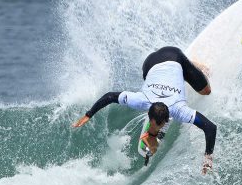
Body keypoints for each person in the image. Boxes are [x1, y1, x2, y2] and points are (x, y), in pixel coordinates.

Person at [72, 46, 217, 174]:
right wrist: (88, 115)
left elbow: (211, 128)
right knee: (193, 82)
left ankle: (190, 66)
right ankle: (181, 74)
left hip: (174, 55)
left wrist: (208, 158)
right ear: (148, 112)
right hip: (150, 63)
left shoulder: (178, 109)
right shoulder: (142, 100)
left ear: (167, 119)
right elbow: (109, 96)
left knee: (206, 90)